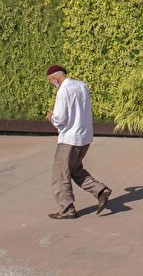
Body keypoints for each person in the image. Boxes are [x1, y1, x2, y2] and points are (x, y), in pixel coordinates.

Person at [45, 64, 110, 219]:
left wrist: (51, 117)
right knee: (75, 170)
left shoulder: (63, 90)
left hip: (69, 139)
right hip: (84, 137)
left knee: (60, 175)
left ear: (55, 77)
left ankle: (67, 209)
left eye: (51, 81)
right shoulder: (82, 85)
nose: (53, 85)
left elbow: (60, 119)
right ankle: (100, 190)